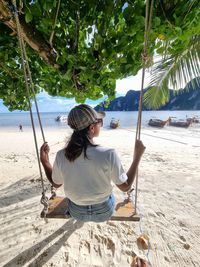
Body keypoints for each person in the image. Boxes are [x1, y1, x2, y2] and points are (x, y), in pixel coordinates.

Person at [40, 104, 145, 222]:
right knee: (109, 194)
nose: (101, 125)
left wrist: (44, 161)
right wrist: (137, 157)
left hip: (77, 213)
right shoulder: (108, 153)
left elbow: (56, 184)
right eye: (99, 122)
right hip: (104, 212)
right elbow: (125, 187)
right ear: (91, 128)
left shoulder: (61, 155)